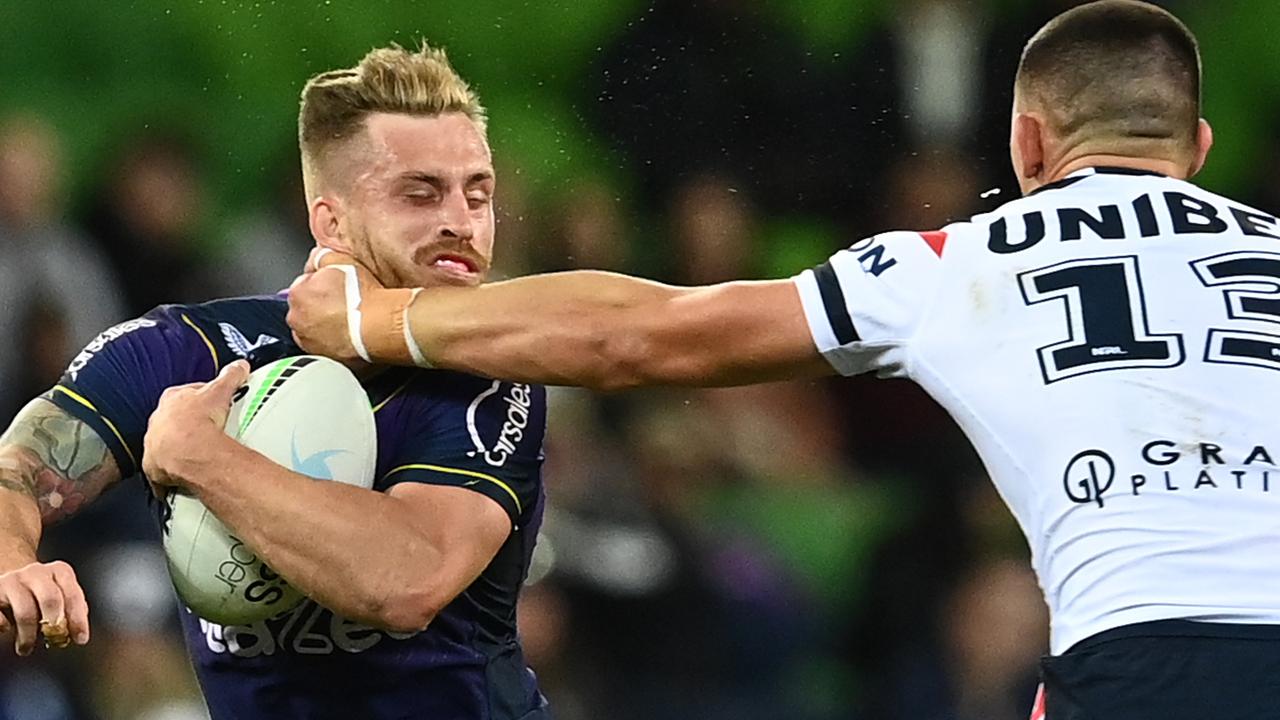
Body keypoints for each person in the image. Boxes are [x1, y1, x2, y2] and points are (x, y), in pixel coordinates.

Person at [287, 3, 1280, 717]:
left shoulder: (961, 263)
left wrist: (381, 322)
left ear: (1024, 145)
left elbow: (642, 335)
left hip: (1138, 664)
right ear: (1193, 143)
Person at [0, 44, 552, 720]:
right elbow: (18, 470)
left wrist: (203, 458)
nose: (462, 224)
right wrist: (11, 561)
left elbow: (407, 580)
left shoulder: (489, 377)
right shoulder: (188, 350)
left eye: (479, 194)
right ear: (330, 219)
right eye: (421, 193)